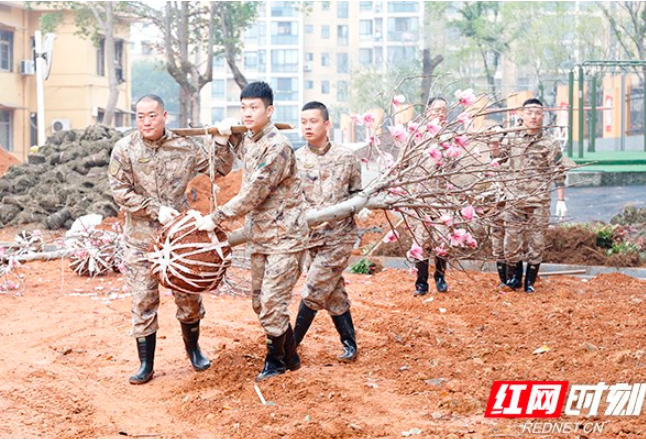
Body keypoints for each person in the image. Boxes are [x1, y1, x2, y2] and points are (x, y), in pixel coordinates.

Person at [108, 94, 237, 384]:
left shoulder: (184, 146)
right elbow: (119, 191)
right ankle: (146, 364)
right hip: (141, 240)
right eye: (140, 116)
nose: (146, 121)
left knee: (188, 297)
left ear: (165, 116)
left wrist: (222, 142)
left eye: (152, 115)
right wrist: (154, 208)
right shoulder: (125, 149)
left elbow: (219, 168)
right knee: (143, 300)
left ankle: (194, 351)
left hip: (180, 240)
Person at [196, 82, 309, 382]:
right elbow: (221, 167)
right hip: (260, 234)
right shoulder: (250, 140)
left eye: (254, 107)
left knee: (272, 304)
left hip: (285, 237)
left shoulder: (278, 147)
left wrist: (217, 217)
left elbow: (255, 192)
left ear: (269, 110)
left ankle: (276, 363)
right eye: (243, 107)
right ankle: (291, 356)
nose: (247, 113)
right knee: (260, 303)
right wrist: (221, 141)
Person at [292, 101, 362, 362]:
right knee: (332, 289)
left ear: (327, 124)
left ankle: (289, 345)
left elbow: (357, 193)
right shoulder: (297, 160)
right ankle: (350, 345)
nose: (307, 126)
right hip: (311, 238)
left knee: (313, 289)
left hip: (339, 236)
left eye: (313, 121)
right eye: (303, 122)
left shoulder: (346, 157)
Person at [501, 98, 567, 293]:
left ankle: (530, 280)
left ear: (543, 115)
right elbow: (497, 160)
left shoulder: (550, 142)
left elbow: (558, 169)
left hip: (539, 200)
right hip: (514, 198)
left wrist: (561, 199)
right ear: (521, 114)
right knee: (512, 241)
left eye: (537, 113)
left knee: (537, 242)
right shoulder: (511, 138)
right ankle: (514, 277)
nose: (533, 116)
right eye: (529, 112)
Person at [412, 96, 450, 296]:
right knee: (422, 241)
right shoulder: (417, 137)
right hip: (421, 199)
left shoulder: (450, 139)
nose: (441, 114)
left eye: (444, 110)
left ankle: (441, 276)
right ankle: (421, 283)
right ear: (428, 113)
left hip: (443, 198)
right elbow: (406, 165)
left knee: (443, 239)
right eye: (437, 110)